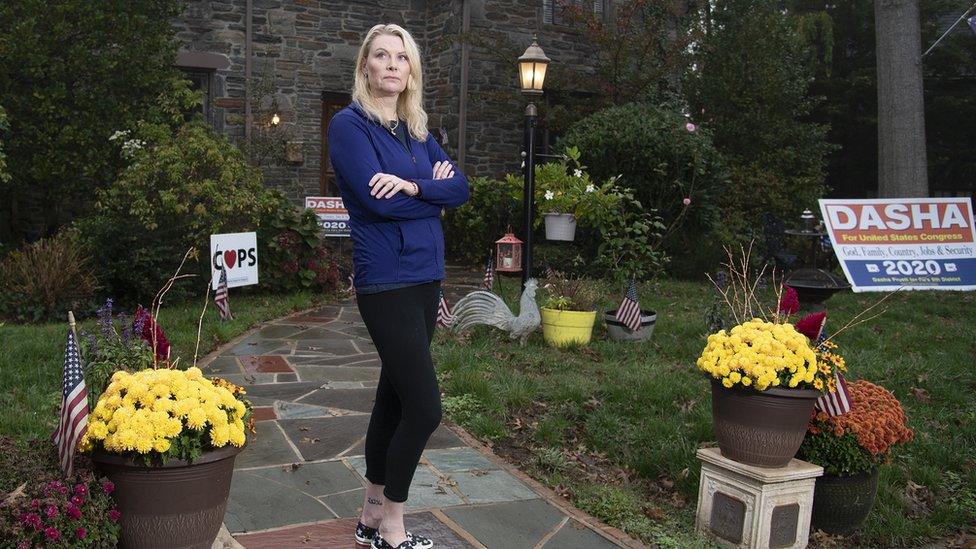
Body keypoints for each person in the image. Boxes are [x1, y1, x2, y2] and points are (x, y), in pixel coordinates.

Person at [327, 23, 469, 549]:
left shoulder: (416, 131)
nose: (391, 65)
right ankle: (393, 523)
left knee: (393, 398)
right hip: (385, 280)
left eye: (401, 58)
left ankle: (368, 514)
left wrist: (415, 185)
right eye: (381, 56)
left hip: (426, 278)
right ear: (365, 66)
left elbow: (461, 189)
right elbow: (375, 202)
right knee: (425, 408)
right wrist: (429, 193)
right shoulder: (349, 126)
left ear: (411, 70)